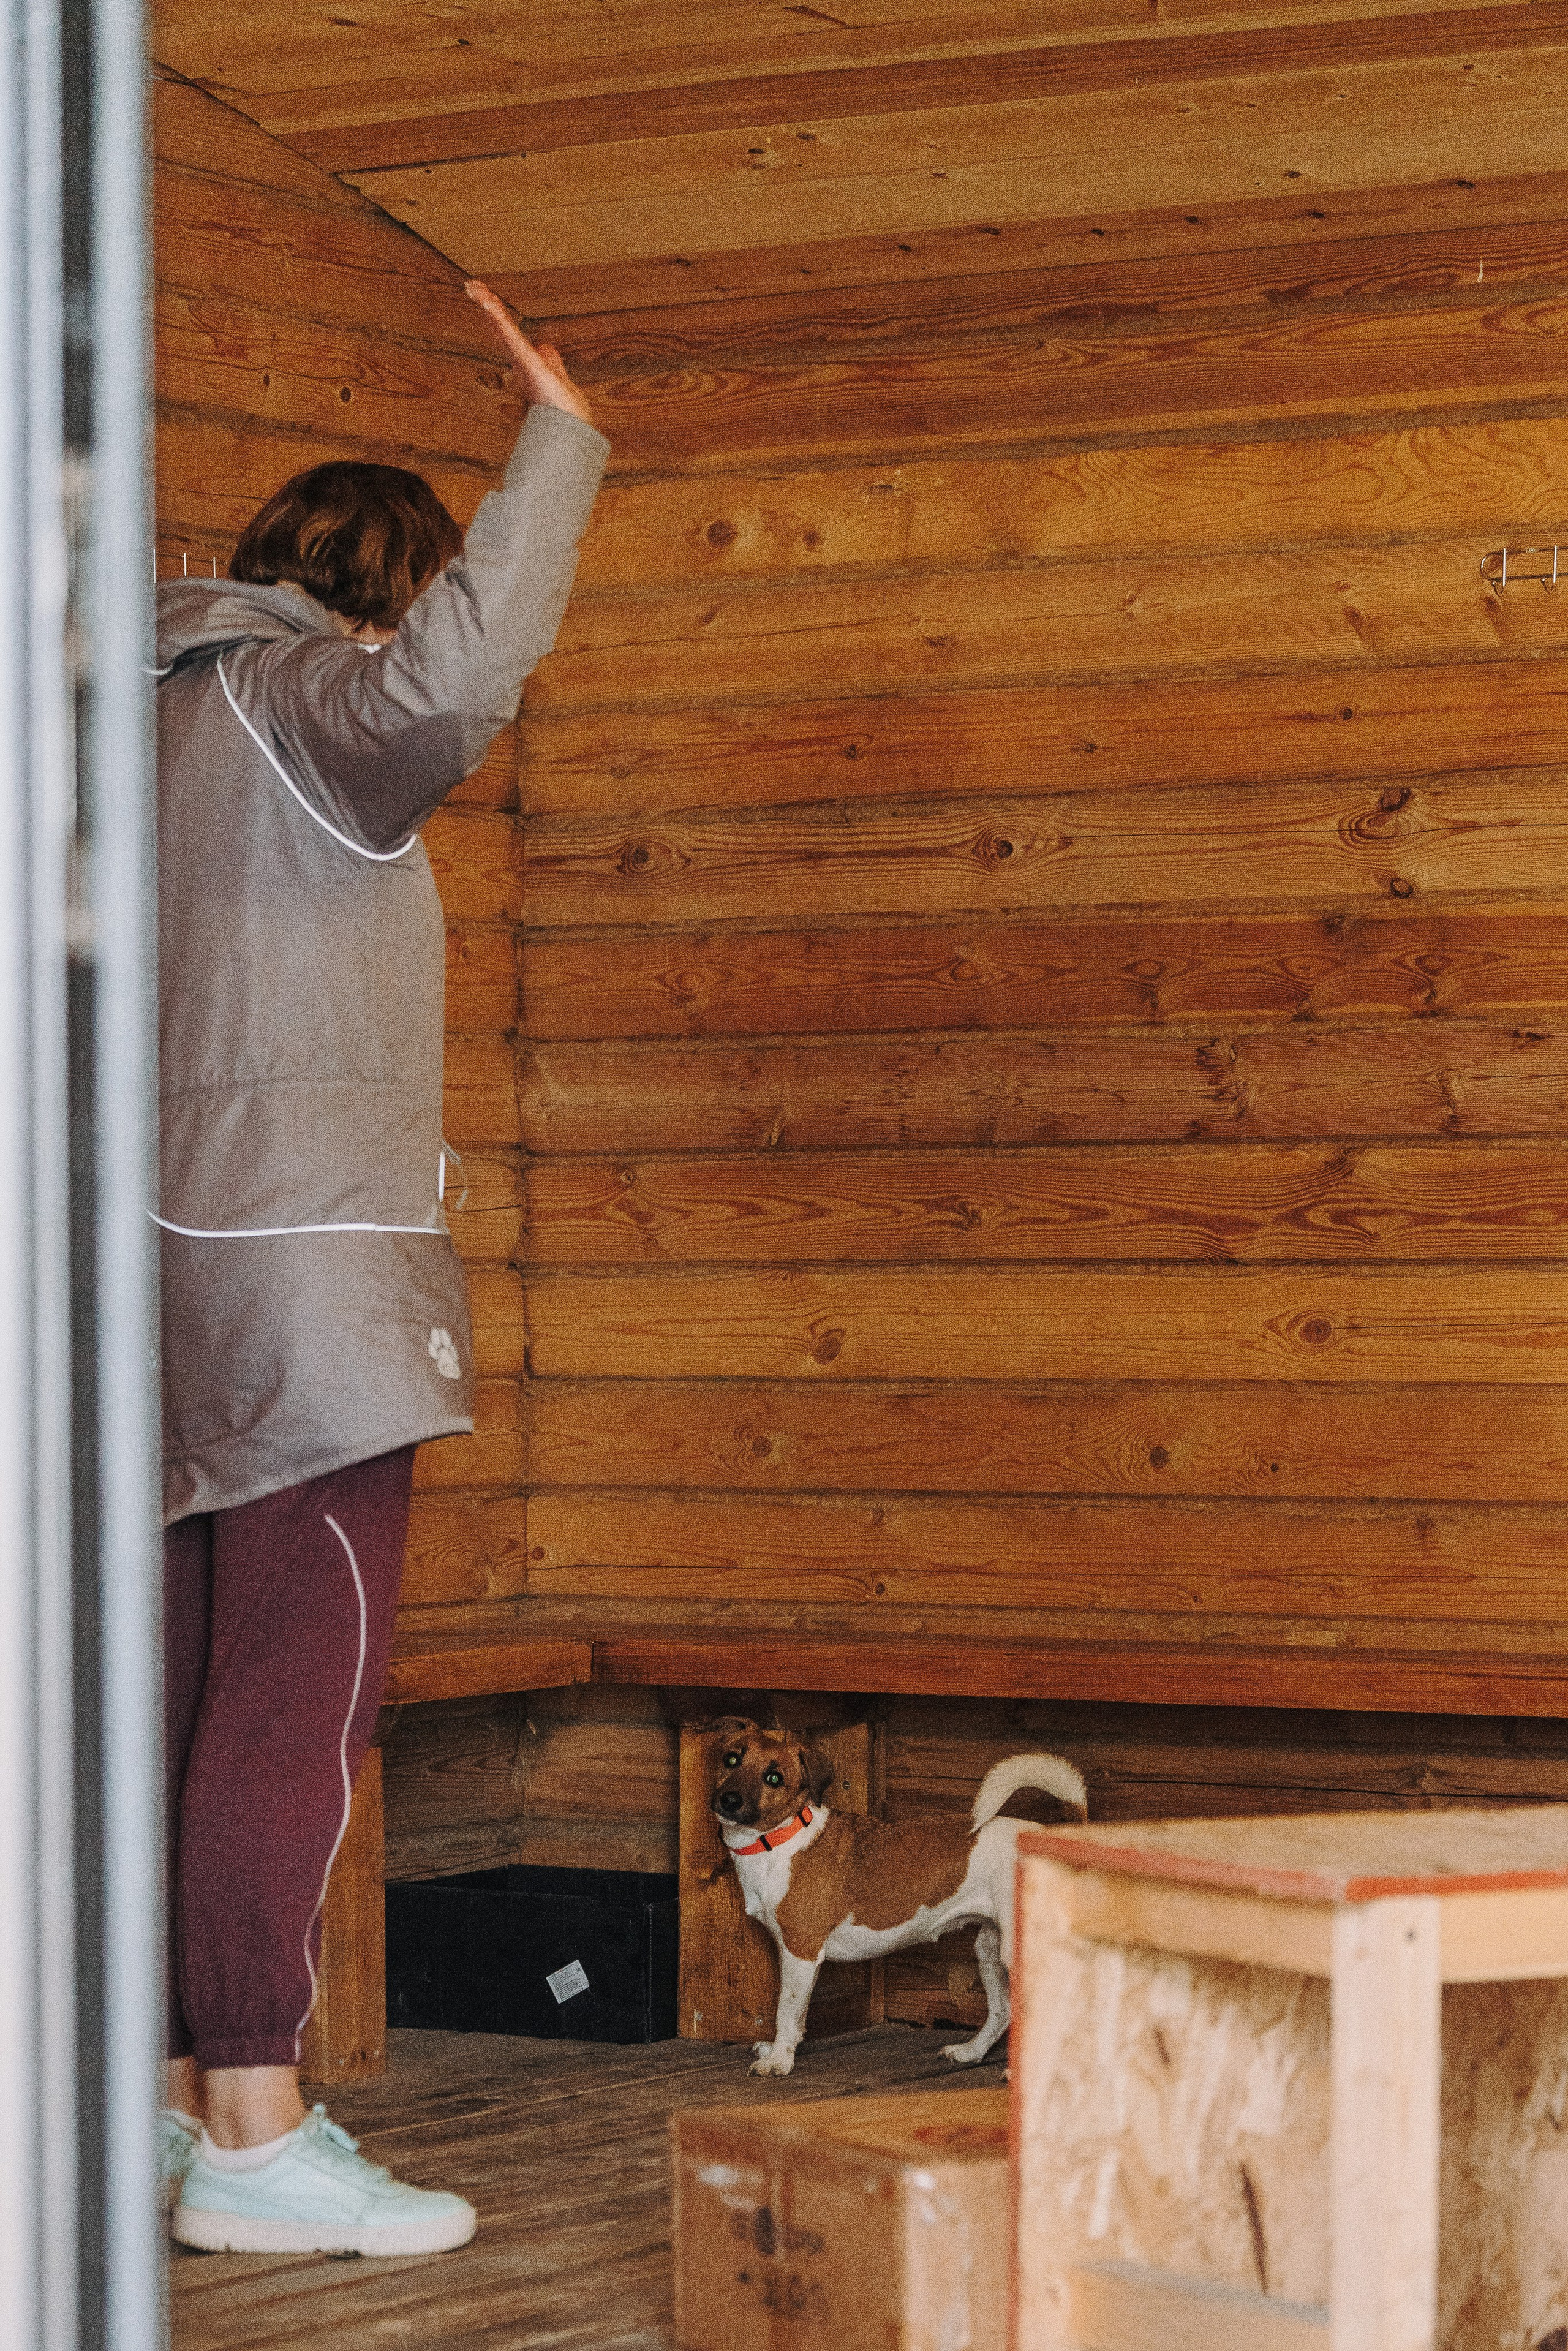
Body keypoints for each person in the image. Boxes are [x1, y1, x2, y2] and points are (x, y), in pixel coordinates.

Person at [153, 282, 608, 2256]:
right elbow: (457, 677)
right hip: (301, 1285)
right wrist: (561, 442)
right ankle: (258, 2135)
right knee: (293, 1700)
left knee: (170, 1702)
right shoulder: (310, 709)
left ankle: (168, 2108)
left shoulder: (132, 720)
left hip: (134, 1290)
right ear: (382, 599)